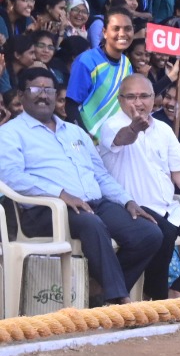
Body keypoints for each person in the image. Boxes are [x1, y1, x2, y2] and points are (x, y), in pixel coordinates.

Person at [0, 65, 162, 304]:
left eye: (49, 90)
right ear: (21, 95)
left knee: (148, 233)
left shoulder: (75, 132)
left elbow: (101, 175)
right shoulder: (10, 133)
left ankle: (100, 292)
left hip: (94, 204)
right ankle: (119, 299)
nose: (43, 95)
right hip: (46, 211)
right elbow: (11, 177)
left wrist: (127, 200)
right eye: (35, 89)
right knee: (91, 224)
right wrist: (60, 194)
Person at [95, 73, 180, 299]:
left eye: (144, 96)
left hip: (169, 208)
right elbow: (122, 138)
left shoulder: (164, 129)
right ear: (120, 100)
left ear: (154, 99)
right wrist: (134, 128)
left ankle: (179, 291)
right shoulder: (111, 125)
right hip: (132, 208)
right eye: (131, 97)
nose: (138, 102)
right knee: (164, 233)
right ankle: (156, 298)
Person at [63, 7, 131, 143]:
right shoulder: (86, 61)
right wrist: (85, 136)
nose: (122, 34)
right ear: (104, 32)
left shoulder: (126, 63)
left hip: (116, 143)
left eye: (128, 29)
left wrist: (171, 76)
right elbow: (70, 106)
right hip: (91, 145)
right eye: (116, 28)